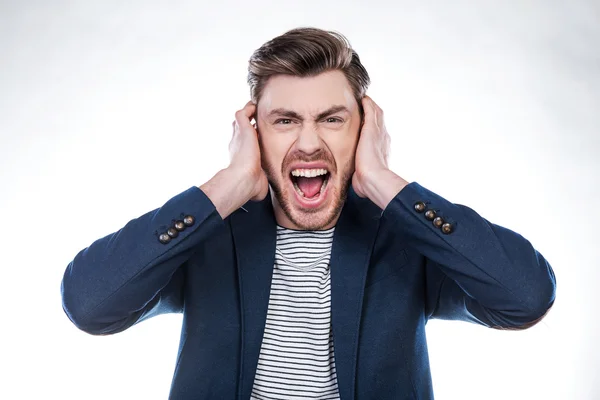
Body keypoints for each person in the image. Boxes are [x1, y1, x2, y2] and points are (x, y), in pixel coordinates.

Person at [61, 27, 556, 400]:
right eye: (285, 121)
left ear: (364, 128)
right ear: (255, 132)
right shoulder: (212, 234)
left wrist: (382, 180)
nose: (309, 142)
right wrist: (227, 185)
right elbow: (90, 304)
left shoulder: (404, 237)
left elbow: (525, 296)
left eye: (332, 119)